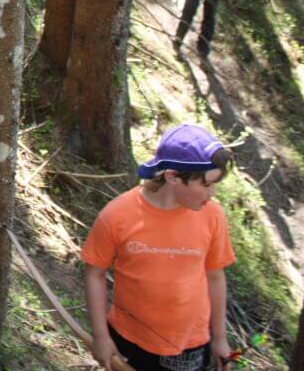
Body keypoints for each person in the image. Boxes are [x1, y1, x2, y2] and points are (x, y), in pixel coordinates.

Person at [82, 124, 236, 371]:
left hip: (190, 345)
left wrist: (219, 338)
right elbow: (95, 274)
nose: (212, 193)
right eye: (207, 185)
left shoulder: (212, 215)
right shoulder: (117, 215)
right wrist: (101, 337)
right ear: (173, 176)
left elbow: (215, 277)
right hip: (127, 339)